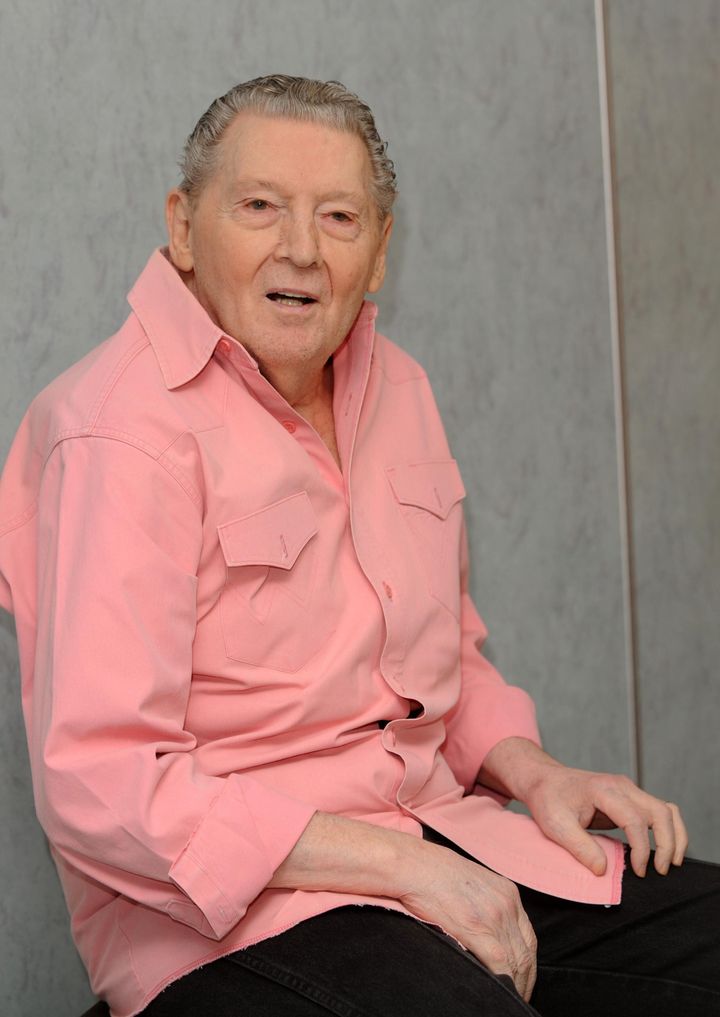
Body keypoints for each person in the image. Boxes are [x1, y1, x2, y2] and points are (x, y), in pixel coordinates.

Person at [0, 75, 716, 1017]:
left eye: (339, 216)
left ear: (380, 251)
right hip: (225, 923)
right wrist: (400, 871)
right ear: (182, 226)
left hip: (434, 836)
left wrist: (534, 773)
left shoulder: (402, 390)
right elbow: (104, 782)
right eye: (259, 206)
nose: (300, 248)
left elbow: (444, 656)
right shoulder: (116, 430)